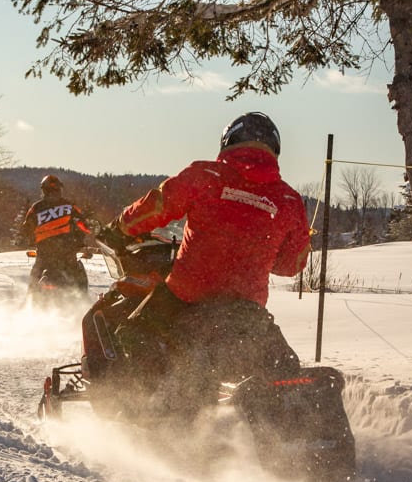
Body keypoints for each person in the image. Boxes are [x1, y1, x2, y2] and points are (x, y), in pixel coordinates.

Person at [102, 112, 310, 401]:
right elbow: (293, 264)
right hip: (247, 310)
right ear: (274, 149)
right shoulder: (288, 200)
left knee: (133, 330)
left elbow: (156, 206)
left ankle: (145, 405)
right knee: (281, 373)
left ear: (229, 141)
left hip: (188, 297)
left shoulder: (205, 175)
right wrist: (258, 251)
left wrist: (119, 228)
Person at [18, 174, 92, 301]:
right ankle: (83, 304)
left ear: (43, 191)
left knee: (34, 279)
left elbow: (25, 229)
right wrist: (83, 238)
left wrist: (29, 239)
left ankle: (29, 302)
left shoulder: (36, 208)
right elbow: (84, 225)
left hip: (45, 256)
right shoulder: (69, 206)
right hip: (67, 256)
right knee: (79, 280)